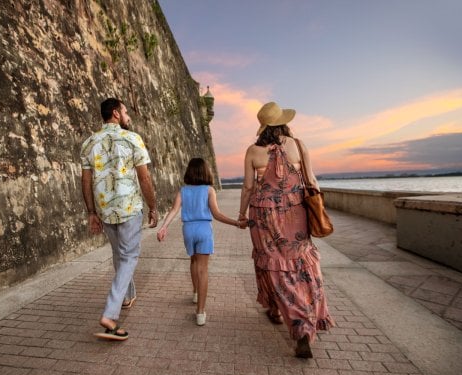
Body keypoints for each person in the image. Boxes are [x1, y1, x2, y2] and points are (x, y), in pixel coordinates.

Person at [238, 101, 334, 358]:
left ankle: (290, 316)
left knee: (272, 265)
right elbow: (312, 180)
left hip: (263, 215)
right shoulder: (299, 145)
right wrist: (318, 208)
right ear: (283, 122)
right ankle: (299, 318)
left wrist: (241, 214)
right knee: (301, 262)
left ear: (263, 126)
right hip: (296, 212)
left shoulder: (252, 151)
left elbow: (248, 187)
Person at [80, 98, 158, 341]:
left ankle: (127, 296)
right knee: (130, 256)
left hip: (105, 209)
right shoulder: (132, 138)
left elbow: (86, 181)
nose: (128, 116)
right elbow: (144, 179)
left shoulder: (89, 143)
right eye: (126, 111)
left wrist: (91, 212)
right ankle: (110, 314)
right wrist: (153, 206)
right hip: (129, 208)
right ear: (115, 113)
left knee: (119, 255)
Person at [156, 158, 246, 326]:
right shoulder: (209, 190)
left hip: (188, 230)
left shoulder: (182, 191)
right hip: (204, 229)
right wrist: (236, 223)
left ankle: (196, 292)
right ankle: (200, 312)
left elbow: (174, 210)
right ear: (206, 172)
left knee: (193, 260)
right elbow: (217, 214)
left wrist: (163, 228)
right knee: (203, 269)